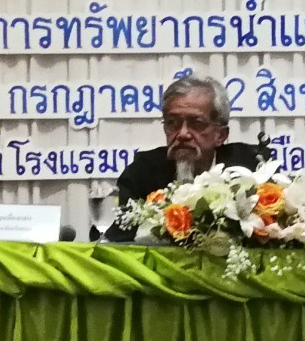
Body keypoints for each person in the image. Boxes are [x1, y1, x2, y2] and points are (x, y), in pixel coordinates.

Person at [105, 72, 263, 233]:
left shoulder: (250, 169)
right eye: (172, 123)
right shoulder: (143, 173)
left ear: (220, 135)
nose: (182, 134)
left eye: (197, 123)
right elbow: (120, 239)